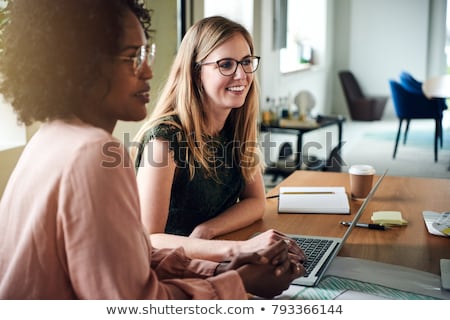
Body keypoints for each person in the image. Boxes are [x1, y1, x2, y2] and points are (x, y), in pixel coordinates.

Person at [0, 0, 305, 299]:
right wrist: (238, 280)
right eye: (133, 56)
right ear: (84, 65)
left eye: (147, 54)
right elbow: (136, 304)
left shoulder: (49, 137)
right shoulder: (93, 153)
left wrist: (218, 270)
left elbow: (137, 258)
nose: (148, 71)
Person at [131, 15, 305, 262]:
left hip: (213, 257)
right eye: (225, 65)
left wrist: (208, 229)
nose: (241, 75)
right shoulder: (164, 140)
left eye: (246, 62)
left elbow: (256, 201)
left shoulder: (236, 124)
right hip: (172, 270)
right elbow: (149, 239)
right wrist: (238, 249)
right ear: (195, 71)